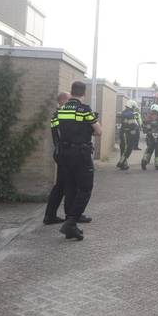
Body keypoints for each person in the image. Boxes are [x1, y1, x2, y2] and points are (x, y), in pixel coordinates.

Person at [51, 81, 102, 241]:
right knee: (85, 188)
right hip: (81, 154)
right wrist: (86, 130)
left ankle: (70, 221)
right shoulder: (84, 110)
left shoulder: (60, 111)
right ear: (83, 93)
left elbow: (56, 128)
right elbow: (98, 131)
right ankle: (71, 222)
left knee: (70, 187)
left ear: (71, 92)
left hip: (64, 154)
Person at [43, 92, 74, 224]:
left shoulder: (58, 115)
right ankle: (70, 216)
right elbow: (63, 135)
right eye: (69, 100)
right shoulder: (60, 115)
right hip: (64, 154)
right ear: (63, 101)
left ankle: (50, 216)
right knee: (67, 185)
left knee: (60, 186)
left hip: (61, 153)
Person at [116, 100, 140, 170]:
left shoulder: (123, 112)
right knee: (128, 148)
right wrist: (136, 128)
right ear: (132, 106)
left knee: (123, 148)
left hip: (122, 133)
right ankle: (121, 163)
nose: (134, 108)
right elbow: (132, 125)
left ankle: (124, 165)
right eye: (134, 107)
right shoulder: (130, 114)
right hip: (127, 134)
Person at [141, 104, 158, 170]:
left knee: (149, 149)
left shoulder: (148, 117)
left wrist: (148, 132)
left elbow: (144, 128)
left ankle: (144, 160)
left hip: (150, 137)